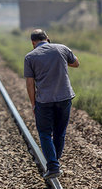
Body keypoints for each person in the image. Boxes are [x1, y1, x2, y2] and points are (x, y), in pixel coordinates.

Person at [24, 28, 79, 179]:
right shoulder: (62, 48)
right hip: (64, 98)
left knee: (45, 133)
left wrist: (33, 104)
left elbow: (30, 84)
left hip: (44, 101)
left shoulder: (30, 57)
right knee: (60, 132)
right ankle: (55, 160)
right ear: (47, 38)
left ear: (33, 42)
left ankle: (53, 165)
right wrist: (59, 63)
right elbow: (76, 63)